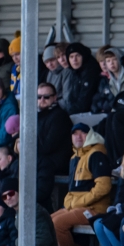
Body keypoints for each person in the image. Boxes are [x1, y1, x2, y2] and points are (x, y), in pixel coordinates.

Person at [51, 124, 112, 246]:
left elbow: (104, 187)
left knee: (58, 223)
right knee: (48, 221)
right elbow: (73, 190)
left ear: (90, 135)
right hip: (77, 206)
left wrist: (79, 202)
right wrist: (71, 203)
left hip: (94, 208)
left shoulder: (96, 154)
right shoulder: (74, 157)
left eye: (83, 133)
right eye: (75, 133)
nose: (78, 137)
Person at [36, 83, 74, 212]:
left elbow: (48, 146)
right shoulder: (37, 116)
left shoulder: (60, 116)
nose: (42, 100)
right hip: (43, 162)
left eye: (46, 97)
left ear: (54, 98)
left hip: (56, 163)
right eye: (39, 97)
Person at [60, 43, 99, 115]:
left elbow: (84, 102)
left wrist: (68, 112)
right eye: (71, 57)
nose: (74, 60)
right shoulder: (75, 72)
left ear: (83, 56)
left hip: (90, 113)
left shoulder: (90, 71)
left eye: (77, 56)